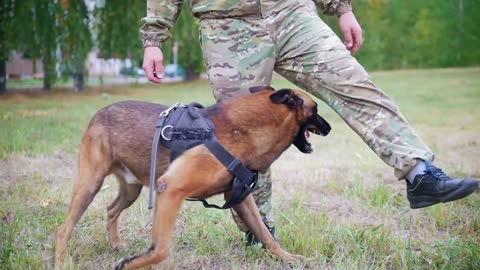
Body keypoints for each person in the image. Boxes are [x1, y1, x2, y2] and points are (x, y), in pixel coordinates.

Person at [140, 0, 478, 242]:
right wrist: (155, 37)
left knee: (354, 85)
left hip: (293, 14)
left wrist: (341, 8)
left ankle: (419, 174)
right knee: (241, 137)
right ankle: (259, 233)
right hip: (227, 27)